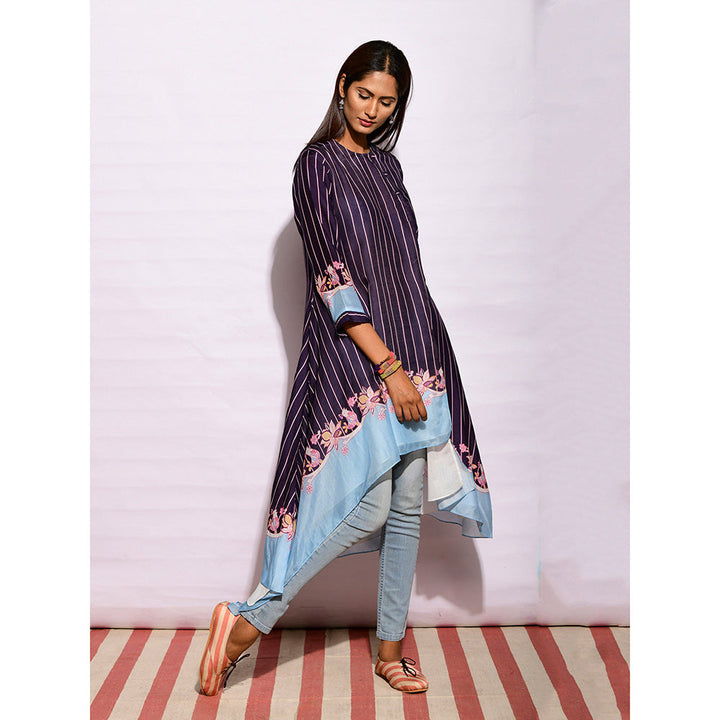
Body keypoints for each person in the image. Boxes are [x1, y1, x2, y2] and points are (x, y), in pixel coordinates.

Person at [198, 39, 492, 697]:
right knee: (367, 506)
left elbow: (405, 269)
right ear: (342, 86)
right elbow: (332, 275)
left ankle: (390, 650)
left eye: (387, 102)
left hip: (417, 344)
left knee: (408, 503)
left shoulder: (390, 169)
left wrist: (416, 360)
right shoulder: (316, 166)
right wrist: (388, 366)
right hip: (360, 353)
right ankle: (246, 622)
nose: (372, 110)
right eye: (364, 94)